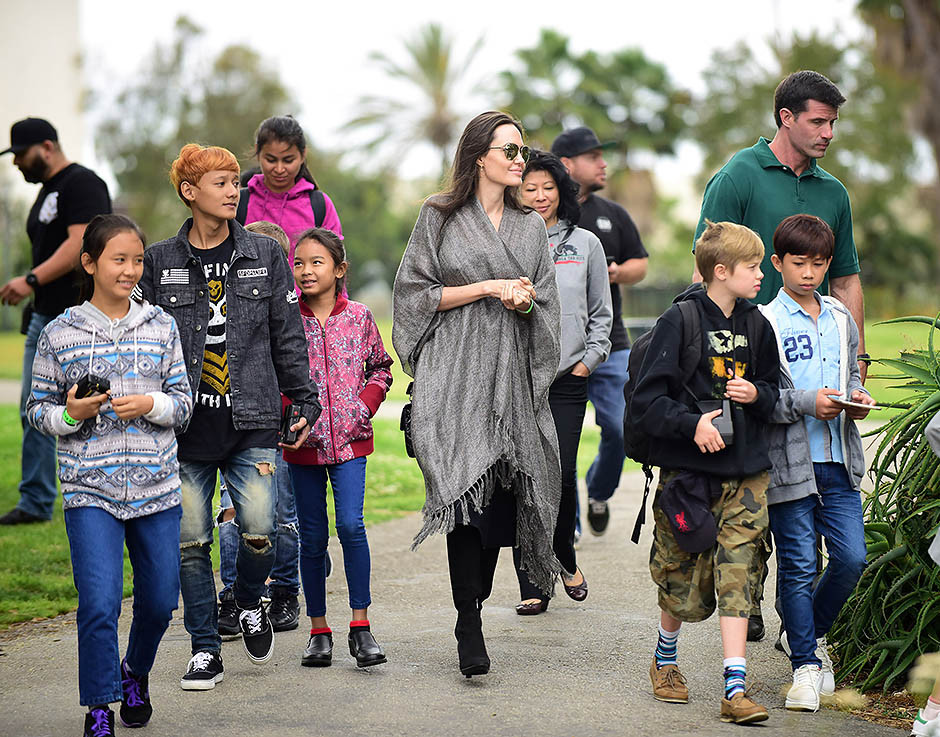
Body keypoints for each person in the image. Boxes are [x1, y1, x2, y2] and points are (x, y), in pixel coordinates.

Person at [136, 143, 320, 691]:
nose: (234, 190)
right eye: (222, 182)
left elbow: (287, 336)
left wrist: (303, 400)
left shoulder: (266, 254)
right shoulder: (159, 260)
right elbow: (143, 341)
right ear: (190, 192)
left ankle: (248, 598)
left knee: (261, 530)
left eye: (237, 181)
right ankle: (204, 650)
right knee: (191, 545)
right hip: (184, 428)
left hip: (254, 419)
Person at [692, 70, 868, 641]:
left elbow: (846, 281)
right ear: (786, 118)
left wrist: (856, 365)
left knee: (803, 515)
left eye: (833, 122)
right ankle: (750, 602)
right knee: (751, 497)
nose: (829, 133)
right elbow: (709, 268)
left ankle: (802, 636)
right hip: (743, 364)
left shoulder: (833, 192)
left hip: (814, 368)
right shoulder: (738, 176)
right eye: (819, 121)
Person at [392, 111, 562, 678]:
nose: (520, 161)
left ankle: (480, 594)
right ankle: (468, 617)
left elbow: (548, 309)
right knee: (459, 487)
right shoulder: (438, 216)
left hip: (509, 377)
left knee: (498, 503)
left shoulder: (531, 227)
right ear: (478, 156)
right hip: (451, 374)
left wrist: (525, 301)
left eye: (523, 151)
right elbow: (414, 294)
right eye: (509, 151)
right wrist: (489, 287)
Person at [26, 214, 192, 737]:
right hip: (88, 490)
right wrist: (72, 414)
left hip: (157, 487)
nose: (130, 270)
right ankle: (100, 707)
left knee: (162, 601)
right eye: (119, 259)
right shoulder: (60, 332)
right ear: (90, 262)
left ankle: (135, 672)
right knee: (98, 604)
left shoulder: (161, 326)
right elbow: (37, 411)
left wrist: (152, 403)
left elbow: (184, 405)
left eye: (137, 259)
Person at [632, 220, 780, 724]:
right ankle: (665, 658)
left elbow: (772, 390)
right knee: (684, 582)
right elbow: (647, 402)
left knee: (741, 572)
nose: (762, 275)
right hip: (690, 478)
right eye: (753, 266)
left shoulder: (758, 324)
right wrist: (692, 423)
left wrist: (756, 393)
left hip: (747, 474)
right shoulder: (682, 321)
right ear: (722, 272)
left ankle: (734, 689)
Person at [758, 214, 873, 712]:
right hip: (789, 464)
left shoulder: (841, 317)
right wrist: (807, 401)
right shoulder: (764, 322)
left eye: (819, 264)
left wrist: (857, 396)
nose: (808, 273)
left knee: (852, 559)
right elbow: (759, 400)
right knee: (799, 565)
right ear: (777, 262)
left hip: (838, 459)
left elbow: (851, 377)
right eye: (798, 263)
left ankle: (806, 633)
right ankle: (806, 663)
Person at [286, 227, 393, 668]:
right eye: (299, 263)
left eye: (317, 262)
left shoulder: (361, 317)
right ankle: (318, 630)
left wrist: (362, 409)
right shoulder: (287, 319)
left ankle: (361, 627)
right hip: (303, 447)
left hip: (351, 443)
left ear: (339, 269)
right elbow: (277, 376)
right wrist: (292, 416)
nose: (307, 270)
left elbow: (381, 370)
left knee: (351, 526)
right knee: (311, 538)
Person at [512, 150, 612, 614]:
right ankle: (534, 582)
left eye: (547, 188)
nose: (538, 197)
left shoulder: (585, 243)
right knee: (522, 478)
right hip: (515, 379)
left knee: (561, 472)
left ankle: (563, 554)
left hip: (567, 380)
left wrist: (588, 362)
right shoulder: (505, 242)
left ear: (562, 192)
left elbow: (600, 314)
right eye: (529, 188)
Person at [0, 117, 111, 526]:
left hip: (80, 318)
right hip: (44, 317)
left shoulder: (83, 183)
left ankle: (101, 495)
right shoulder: (47, 191)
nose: (16, 164)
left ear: (46, 146)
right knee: (34, 407)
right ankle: (35, 501)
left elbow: (80, 241)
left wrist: (30, 280)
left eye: (21, 154)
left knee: (93, 410)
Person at [551, 126, 648, 537]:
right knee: (560, 443)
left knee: (622, 427)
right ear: (567, 165)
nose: (602, 163)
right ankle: (567, 523)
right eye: (593, 156)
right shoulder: (540, 217)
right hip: (555, 350)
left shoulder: (613, 215)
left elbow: (640, 265)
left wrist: (615, 271)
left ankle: (599, 490)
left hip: (611, 343)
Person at [236, 115, 342, 242]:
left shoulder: (320, 205)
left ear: (303, 155)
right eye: (271, 160)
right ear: (258, 152)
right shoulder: (238, 202)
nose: (279, 169)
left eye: (288, 160)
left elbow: (332, 257)